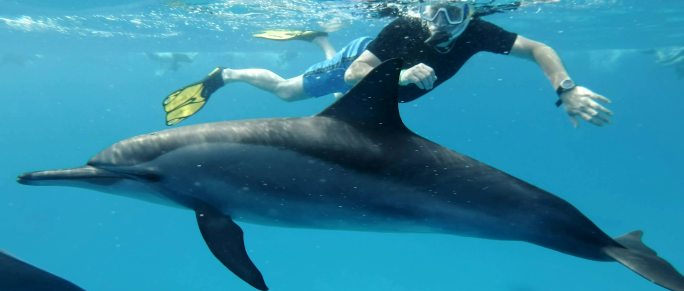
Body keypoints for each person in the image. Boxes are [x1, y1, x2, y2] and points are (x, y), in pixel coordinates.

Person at [163, 0, 611, 128]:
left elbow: (538, 49)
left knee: (342, 102)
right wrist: (398, 73)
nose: (440, 22)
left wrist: (566, 89)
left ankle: (319, 37)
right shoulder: (404, 28)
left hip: (379, 80)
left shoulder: (478, 31)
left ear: (471, 11)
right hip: (365, 59)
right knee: (288, 91)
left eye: (453, 11)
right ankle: (225, 75)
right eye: (433, 10)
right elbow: (359, 72)